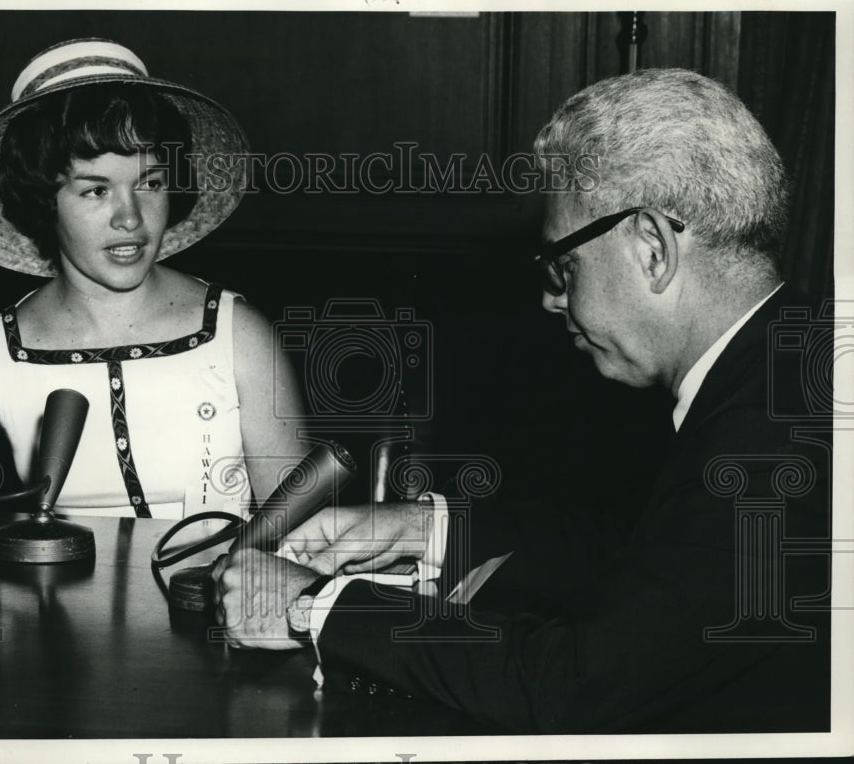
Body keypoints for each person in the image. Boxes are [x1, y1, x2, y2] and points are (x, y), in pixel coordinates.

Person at [213, 68, 832, 733]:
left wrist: (315, 604)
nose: (551, 298)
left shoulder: (770, 437)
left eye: (564, 265)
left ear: (651, 249)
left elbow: (574, 684)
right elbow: (645, 564)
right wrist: (426, 531)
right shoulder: (782, 366)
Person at [0, 38, 307, 519]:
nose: (130, 218)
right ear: (44, 201)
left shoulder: (239, 334)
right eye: (96, 190)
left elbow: (299, 529)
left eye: (149, 182)